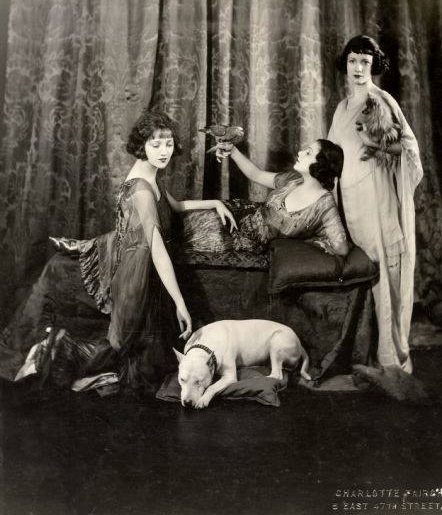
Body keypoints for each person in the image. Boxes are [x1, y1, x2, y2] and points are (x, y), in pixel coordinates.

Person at [4, 109, 236, 392]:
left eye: (169, 144)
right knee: (124, 354)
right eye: (155, 144)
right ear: (142, 146)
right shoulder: (141, 189)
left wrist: (214, 203)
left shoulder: (149, 172)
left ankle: (63, 347)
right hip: (136, 275)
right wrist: (180, 302)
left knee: (138, 353)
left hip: (138, 262)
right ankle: (54, 349)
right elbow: (158, 250)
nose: (164, 151)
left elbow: (173, 206)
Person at [328, 35, 423, 373]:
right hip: (352, 203)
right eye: (353, 60)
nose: (357, 68)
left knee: (387, 273)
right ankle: (365, 353)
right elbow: (332, 155)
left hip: (379, 199)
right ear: (345, 64)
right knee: (366, 275)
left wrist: (375, 144)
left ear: (374, 66)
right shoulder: (341, 109)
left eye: (365, 62)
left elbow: (409, 151)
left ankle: (393, 359)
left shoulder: (382, 100)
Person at [215, 139, 349, 257]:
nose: (300, 153)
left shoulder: (325, 205)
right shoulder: (293, 179)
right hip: (237, 213)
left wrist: (315, 244)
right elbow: (256, 175)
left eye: (308, 153)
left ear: (322, 165)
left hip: (245, 242)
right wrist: (233, 150)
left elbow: (342, 249)